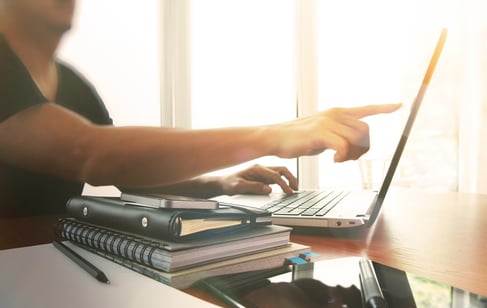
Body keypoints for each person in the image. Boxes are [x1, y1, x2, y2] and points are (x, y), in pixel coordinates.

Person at [0, 0, 400, 216]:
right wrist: (272, 136)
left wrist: (220, 184)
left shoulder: (71, 82)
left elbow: (131, 177)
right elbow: (90, 154)